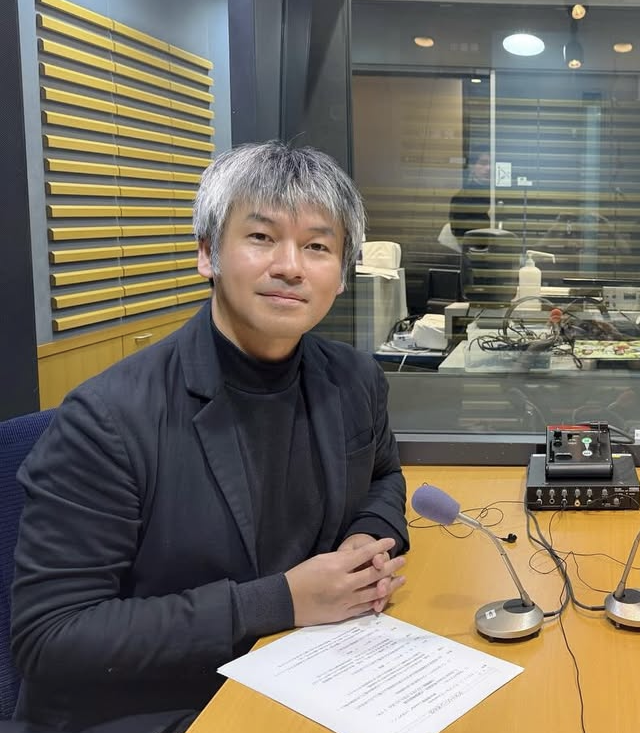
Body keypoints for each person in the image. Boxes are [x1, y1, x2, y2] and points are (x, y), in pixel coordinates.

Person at [10, 141, 411, 733]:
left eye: (317, 246)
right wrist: (280, 601)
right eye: (261, 237)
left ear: (342, 273)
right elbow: (51, 635)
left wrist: (366, 538)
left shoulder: (354, 379)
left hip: (307, 671)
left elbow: (383, 476)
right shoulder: (109, 418)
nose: (290, 266)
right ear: (207, 253)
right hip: (164, 705)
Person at [448, 146, 492, 242]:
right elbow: (461, 234)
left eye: (492, 164)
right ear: (472, 167)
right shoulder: (462, 198)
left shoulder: (503, 194)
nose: (489, 168)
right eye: (483, 163)